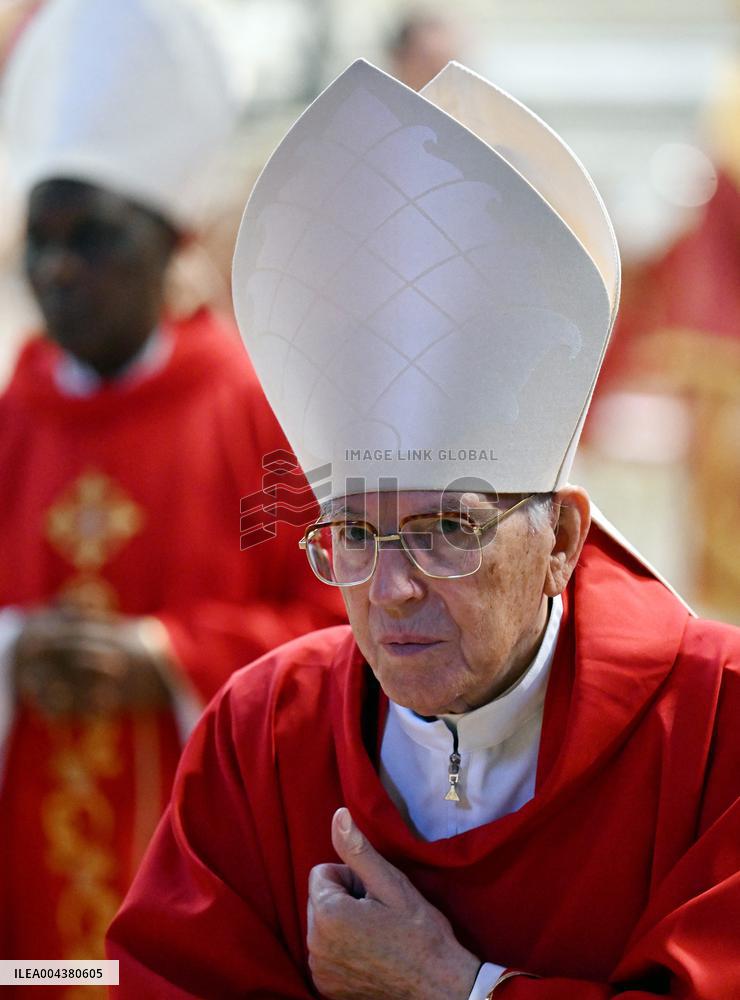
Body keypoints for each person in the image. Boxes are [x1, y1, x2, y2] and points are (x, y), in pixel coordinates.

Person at [108, 61, 740, 999]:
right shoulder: (261, 732)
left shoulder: (718, 726)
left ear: (562, 541)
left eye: (447, 527)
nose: (391, 590)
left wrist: (458, 987)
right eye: (356, 536)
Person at [0, 0, 342, 982]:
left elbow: (334, 627)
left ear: (167, 240)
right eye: (40, 240)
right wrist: (14, 648)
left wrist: (165, 657)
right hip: (29, 856)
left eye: (93, 237)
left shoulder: (254, 411)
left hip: (194, 846)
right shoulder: (14, 414)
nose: (59, 270)